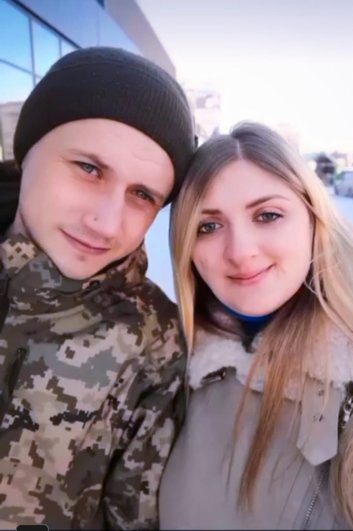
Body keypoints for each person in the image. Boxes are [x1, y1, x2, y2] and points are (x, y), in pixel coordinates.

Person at [159, 122, 353, 530]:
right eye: (208, 226)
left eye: (267, 215)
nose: (240, 251)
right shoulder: (170, 369)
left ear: (313, 217)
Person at [0, 47, 196, 529]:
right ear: (28, 152)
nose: (106, 223)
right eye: (89, 168)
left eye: (142, 195)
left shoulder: (153, 340)